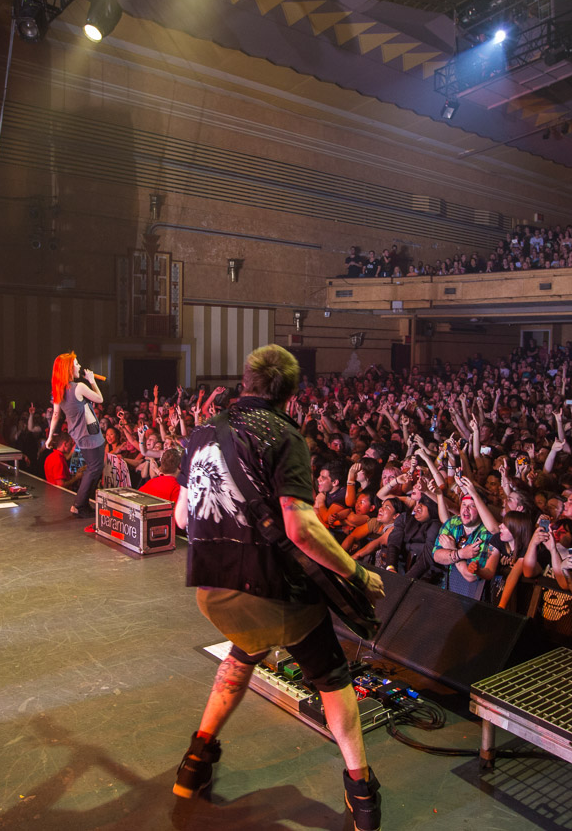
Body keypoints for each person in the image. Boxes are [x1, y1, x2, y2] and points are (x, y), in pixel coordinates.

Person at [172, 344, 385, 830]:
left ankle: (195, 762)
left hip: (212, 590)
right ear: (291, 394)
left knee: (242, 653)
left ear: (244, 381)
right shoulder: (285, 436)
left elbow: (184, 515)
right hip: (270, 592)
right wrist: (356, 572)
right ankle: (362, 794)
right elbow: (300, 528)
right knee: (332, 679)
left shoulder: (204, 431)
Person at [45, 352, 104, 520]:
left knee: (94, 468)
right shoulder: (78, 387)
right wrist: (92, 381)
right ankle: (79, 505)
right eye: (76, 364)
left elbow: (56, 415)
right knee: (94, 469)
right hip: (89, 434)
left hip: (80, 434)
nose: (79, 366)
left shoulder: (59, 390)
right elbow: (99, 399)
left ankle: (83, 504)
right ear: (68, 369)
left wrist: (50, 437)